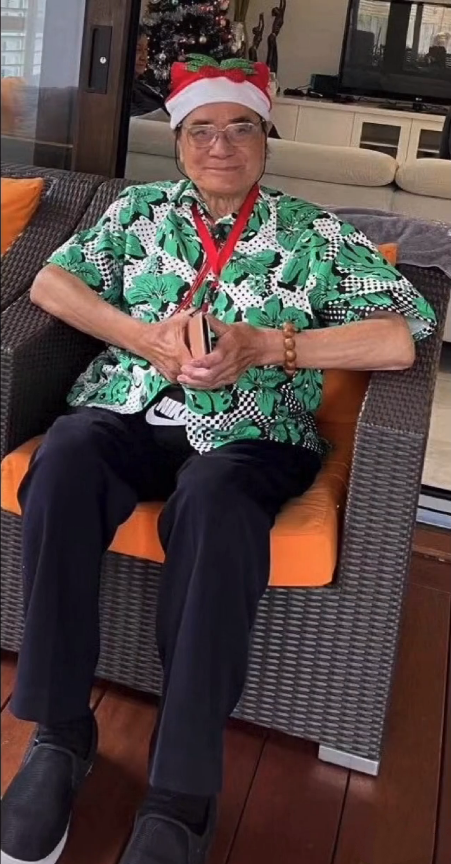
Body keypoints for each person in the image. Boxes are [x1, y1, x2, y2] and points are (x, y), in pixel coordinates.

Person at [0, 54, 436, 864]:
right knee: (64, 459)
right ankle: (59, 735)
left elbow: (397, 338)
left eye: (240, 128)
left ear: (266, 138)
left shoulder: (311, 233)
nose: (220, 146)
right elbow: (51, 286)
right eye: (200, 130)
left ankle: (181, 791)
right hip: (129, 409)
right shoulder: (138, 211)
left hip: (252, 433)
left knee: (216, 503)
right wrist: (143, 339)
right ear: (178, 142)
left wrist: (268, 346)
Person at [130, 25, 167, 118]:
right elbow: (137, 121)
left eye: (146, 50)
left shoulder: (148, 82)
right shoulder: (119, 89)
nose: (144, 57)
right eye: (138, 50)